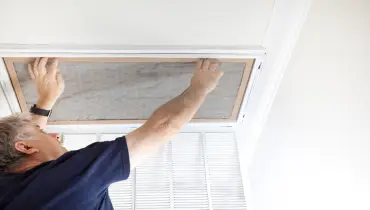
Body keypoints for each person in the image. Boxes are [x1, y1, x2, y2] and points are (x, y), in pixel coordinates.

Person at [0, 57, 223, 209]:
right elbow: (164, 125)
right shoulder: (67, 179)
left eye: (43, 131)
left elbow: (165, 126)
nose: (55, 135)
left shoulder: (25, 183)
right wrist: (200, 87)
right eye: (43, 132)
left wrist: (45, 104)